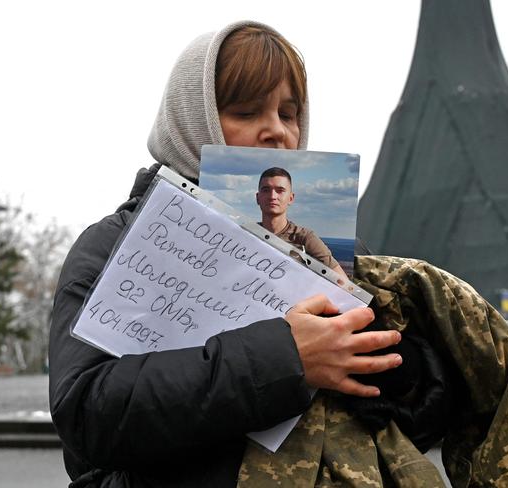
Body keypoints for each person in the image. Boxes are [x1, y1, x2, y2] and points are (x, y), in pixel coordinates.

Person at [49, 21, 403, 487]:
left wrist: (397, 364)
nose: (276, 131)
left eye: (289, 113)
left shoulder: (337, 250)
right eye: (245, 110)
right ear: (192, 120)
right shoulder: (111, 244)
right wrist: (286, 358)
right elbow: (87, 414)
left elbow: (399, 410)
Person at [255, 166, 347, 280]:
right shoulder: (245, 234)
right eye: (266, 190)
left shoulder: (305, 238)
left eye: (280, 191)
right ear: (258, 198)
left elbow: (342, 282)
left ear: (291, 198)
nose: (273, 196)